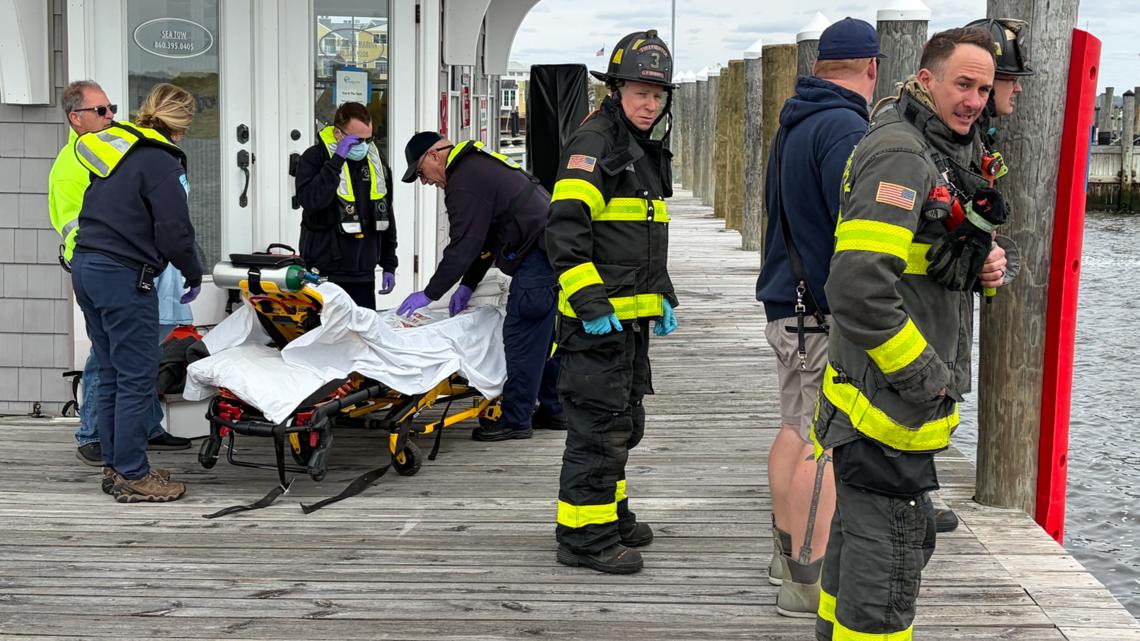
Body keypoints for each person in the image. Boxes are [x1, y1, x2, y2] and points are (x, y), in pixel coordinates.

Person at [812, 28, 1011, 640]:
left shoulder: (942, 152)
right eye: (963, 84)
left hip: (876, 398)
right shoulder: (902, 155)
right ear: (925, 80)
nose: (975, 100)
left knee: (861, 541)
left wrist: (982, 266)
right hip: (887, 403)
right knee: (892, 561)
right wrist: (926, 376)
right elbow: (856, 287)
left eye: (984, 88)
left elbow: (921, 266)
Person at [754, 17, 879, 617]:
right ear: (873, 68)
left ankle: (786, 553)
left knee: (794, 428)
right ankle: (806, 579)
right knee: (820, 442)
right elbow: (853, 223)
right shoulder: (846, 128)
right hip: (818, 312)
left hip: (787, 303)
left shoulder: (796, 120)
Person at [546, 29, 679, 575]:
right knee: (597, 430)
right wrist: (591, 304)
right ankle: (585, 537)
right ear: (615, 89)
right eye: (640, 91)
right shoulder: (595, 143)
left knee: (622, 424)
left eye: (658, 94)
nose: (650, 103)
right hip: (597, 324)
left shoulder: (638, 149)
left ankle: (609, 512)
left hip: (630, 321)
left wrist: (663, 295)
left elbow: (641, 235)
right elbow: (564, 230)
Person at [71, 82, 204, 502]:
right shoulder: (161, 162)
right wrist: (192, 269)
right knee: (135, 377)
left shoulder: (119, 151)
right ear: (181, 126)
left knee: (111, 371)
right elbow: (174, 230)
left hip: (88, 266)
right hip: (123, 276)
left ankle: (116, 463)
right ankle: (132, 472)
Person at [396, 133, 563, 439]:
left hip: (539, 253)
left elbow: (464, 245)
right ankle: (555, 409)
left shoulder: (463, 181)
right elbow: (485, 238)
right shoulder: (475, 166)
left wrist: (430, 293)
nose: (425, 182)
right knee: (540, 333)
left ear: (434, 156)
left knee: (522, 334)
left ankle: (515, 420)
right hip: (548, 247)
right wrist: (468, 284)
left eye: (420, 173)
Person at [296, 101, 398, 309]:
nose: (364, 145)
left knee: (360, 337)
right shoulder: (314, 158)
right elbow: (310, 201)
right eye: (357, 140)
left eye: (369, 139)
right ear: (337, 133)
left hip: (363, 272)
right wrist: (335, 162)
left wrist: (389, 264)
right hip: (324, 272)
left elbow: (386, 213)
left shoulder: (377, 163)